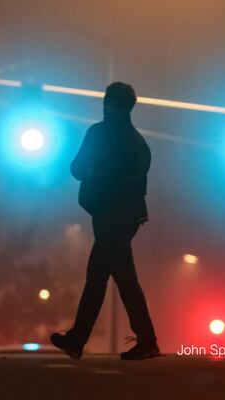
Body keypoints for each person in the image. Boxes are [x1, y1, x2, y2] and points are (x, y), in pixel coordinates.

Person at [50, 82, 160, 361]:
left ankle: (147, 341)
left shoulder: (98, 133)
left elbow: (76, 169)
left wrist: (92, 173)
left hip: (107, 215)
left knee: (122, 279)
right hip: (131, 216)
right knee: (99, 277)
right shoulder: (139, 141)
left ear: (109, 104)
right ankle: (77, 339)